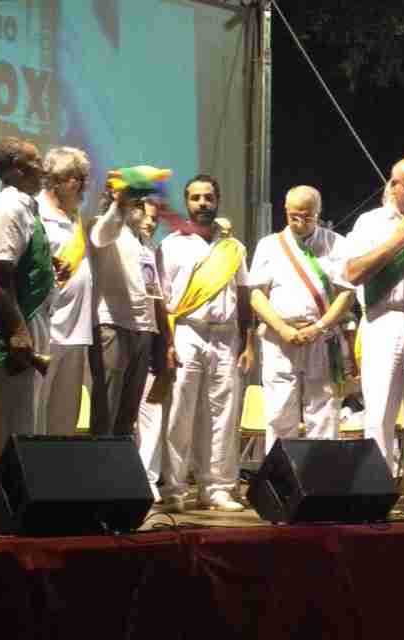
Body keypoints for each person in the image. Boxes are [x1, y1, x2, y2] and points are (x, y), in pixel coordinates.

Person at [0, 137, 55, 522]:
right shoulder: (9, 208)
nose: (44, 168)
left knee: (10, 418)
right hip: (16, 324)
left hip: (26, 318)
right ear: (19, 169)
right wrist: (19, 331)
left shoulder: (23, 206)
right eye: (37, 161)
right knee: (11, 419)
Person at [159, 174, 254, 513]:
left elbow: (244, 295)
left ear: (217, 201)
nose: (202, 203)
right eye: (196, 197)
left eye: (208, 197)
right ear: (187, 203)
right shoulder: (171, 245)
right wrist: (167, 343)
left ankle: (217, 489)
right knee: (179, 414)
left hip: (226, 335)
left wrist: (248, 343)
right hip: (187, 331)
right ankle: (173, 488)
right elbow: (162, 299)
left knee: (223, 414)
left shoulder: (233, 247)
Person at [250, 185, 355, 453]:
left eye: (307, 217)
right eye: (293, 216)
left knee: (324, 413)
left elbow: (347, 294)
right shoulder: (269, 245)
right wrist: (282, 328)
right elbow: (257, 296)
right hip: (279, 339)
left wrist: (319, 327)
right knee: (279, 412)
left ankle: (320, 475)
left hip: (322, 337)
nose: (299, 223)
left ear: (318, 213)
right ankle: (280, 475)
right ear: (285, 210)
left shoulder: (337, 243)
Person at [344, 157, 404, 511]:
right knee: (380, 412)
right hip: (384, 320)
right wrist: (395, 242)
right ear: (393, 186)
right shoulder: (370, 223)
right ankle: (378, 493)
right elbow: (352, 272)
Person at [88, 187, 171, 436]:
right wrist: (119, 204)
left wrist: (162, 340)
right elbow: (103, 234)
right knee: (107, 408)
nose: (145, 215)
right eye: (138, 206)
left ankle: (119, 459)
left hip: (144, 329)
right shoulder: (105, 227)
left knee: (128, 413)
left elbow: (153, 293)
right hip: (113, 326)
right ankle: (100, 460)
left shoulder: (147, 244)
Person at [36, 147, 93, 436]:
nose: (80, 184)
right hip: (47, 328)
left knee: (65, 415)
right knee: (37, 411)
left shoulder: (77, 219)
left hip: (77, 330)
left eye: (82, 178)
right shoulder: (36, 212)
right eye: (74, 177)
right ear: (55, 179)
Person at [135, 199, 165, 502]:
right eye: (144, 216)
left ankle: (147, 478)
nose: (149, 222)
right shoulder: (117, 242)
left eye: (154, 218)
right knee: (121, 412)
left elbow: (158, 298)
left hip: (150, 335)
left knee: (152, 410)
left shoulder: (153, 250)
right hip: (121, 332)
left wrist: (164, 341)